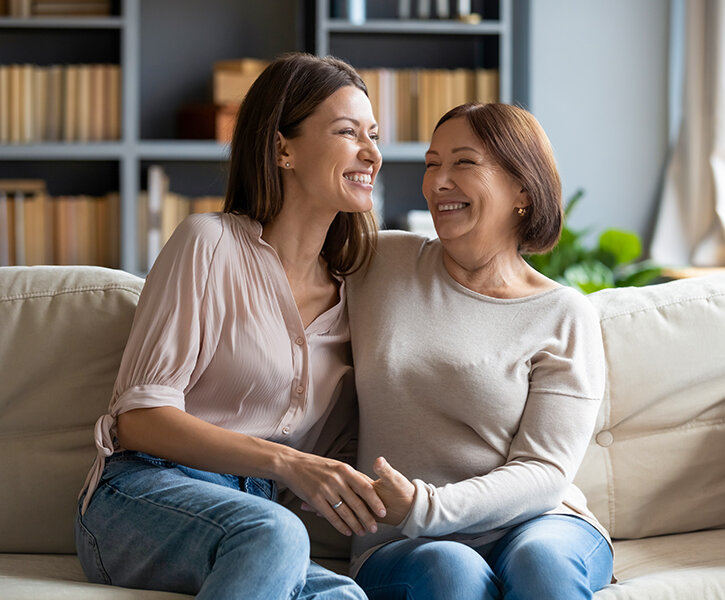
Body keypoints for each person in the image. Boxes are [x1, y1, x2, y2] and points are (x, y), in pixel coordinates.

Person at [74, 52, 386, 600]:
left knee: (345, 597)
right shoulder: (208, 243)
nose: (372, 153)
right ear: (282, 148)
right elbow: (140, 420)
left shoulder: (357, 291)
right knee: (275, 532)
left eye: (374, 134)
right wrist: (289, 463)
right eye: (347, 132)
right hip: (146, 491)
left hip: (255, 518)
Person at [345, 103, 614, 599]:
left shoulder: (563, 315)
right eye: (431, 163)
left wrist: (427, 504)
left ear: (522, 190)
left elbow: (544, 471)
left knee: (544, 563)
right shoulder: (380, 261)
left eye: (464, 163)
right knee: (452, 571)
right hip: (404, 539)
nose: (438, 182)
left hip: (538, 524)